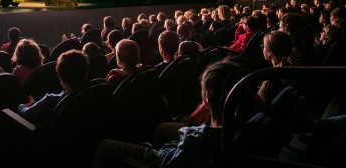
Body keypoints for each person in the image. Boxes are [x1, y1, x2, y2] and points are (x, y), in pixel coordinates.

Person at [92, 60, 251, 168]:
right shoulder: (240, 120)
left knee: (106, 145)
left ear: (207, 98)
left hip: (163, 157)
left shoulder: (196, 142)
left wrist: (152, 148)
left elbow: (167, 161)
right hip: (178, 150)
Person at [18, 50, 89, 130]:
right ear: (86, 74)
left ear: (60, 78)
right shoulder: (93, 93)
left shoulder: (50, 101)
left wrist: (23, 106)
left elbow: (25, 113)